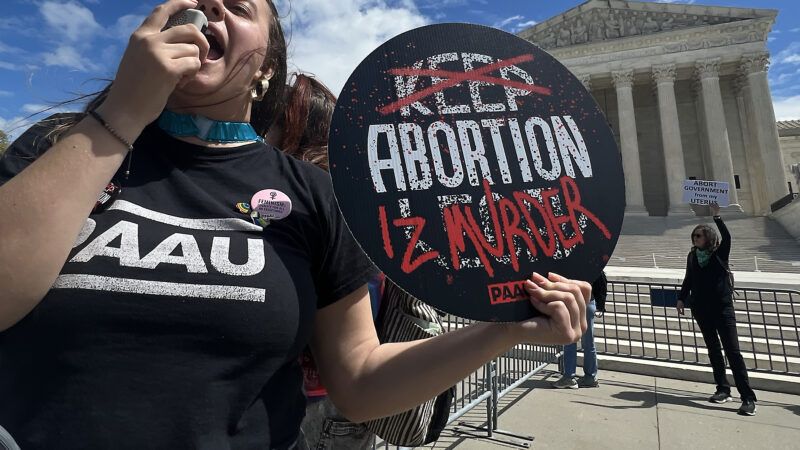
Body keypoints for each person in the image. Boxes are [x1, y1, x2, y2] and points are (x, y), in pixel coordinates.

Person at [0, 1, 591, 448]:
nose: (208, 12)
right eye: (194, 1)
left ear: (267, 67)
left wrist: (503, 332)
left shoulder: (312, 193)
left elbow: (358, 382)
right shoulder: (60, 148)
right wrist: (123, 113)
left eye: (236, 6)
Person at [268, 72, 375, 449]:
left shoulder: (311, 201)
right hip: (343, 398)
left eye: (272, 121)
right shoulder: (356, 199)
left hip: (318, 397)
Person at [677, 203, 757, 416]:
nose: (695, 239)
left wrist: (717, 217)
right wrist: (681, 299)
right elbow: (689, 279)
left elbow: (728, 239)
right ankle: (722, 389)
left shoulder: (720, 253)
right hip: (701, 309)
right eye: (694, 236)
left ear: (709, 238)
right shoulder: (693, 256)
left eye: (699, 236)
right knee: (713, 350)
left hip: (722, 309)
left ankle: (748, 397)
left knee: (732, 352)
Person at [552, 271, 606, 389]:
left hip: (573, 302)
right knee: (589, 342)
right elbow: (601, 280)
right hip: (589, 301)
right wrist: (601, 305)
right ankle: (590, 376)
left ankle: (569, 377)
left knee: (570, 340)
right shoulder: (592, 264)